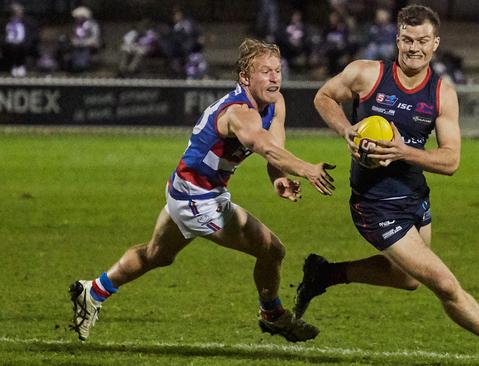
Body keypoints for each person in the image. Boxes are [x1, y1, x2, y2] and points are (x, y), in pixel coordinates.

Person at [295, 5, 479, 365]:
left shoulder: (442, 95)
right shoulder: (366, 74)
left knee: (407, 279)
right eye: (407, 40)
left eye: (423, 41)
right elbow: (324, 97)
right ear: (397, 40)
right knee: (443, 283)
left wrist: (402, 151)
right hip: (374, 205)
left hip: (414, 196)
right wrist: (346, 130)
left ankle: (325, 273)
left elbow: (450, 160)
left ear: (435, 43)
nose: (414, 48)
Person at [69, 38, 336, 343]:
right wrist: (307, 169)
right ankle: (273, 315)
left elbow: (274, 151)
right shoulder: (239, 112)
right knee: (272, 249)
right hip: (199, 199)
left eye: (277, 70)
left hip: (185, 189)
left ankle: (91, 292)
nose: (275, 77)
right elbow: (261, 145)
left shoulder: (275, 104)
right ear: (245, 78)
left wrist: (278, 178)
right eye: (265, 71)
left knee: (156, 255)